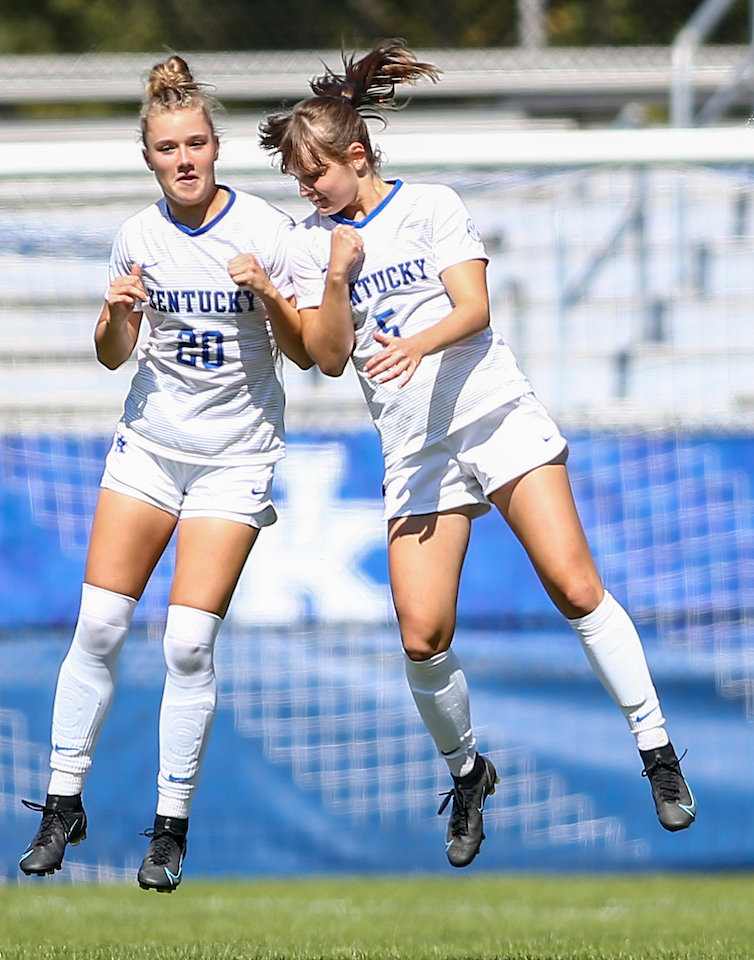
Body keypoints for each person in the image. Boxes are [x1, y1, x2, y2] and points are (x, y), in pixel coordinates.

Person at [260, 40, 695, 869]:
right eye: (296, 180)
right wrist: (332, 281)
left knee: (575, 585)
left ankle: (657, 751)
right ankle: (468, 774)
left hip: (492, 412)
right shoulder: (315, 244)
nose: (305, 190)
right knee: (422, 636)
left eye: (313, 174)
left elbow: (474, 309)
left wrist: (416, 343)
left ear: (357, 156)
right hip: (415, 446)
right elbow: (322, 355)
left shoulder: (431, 207)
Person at [19, 56, 311, 892]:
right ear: (148, 158)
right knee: (101, 627)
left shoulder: (264, 232)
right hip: (148, 448)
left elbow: (309, 354)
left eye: (195, 144)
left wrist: (269, 295)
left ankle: (170, 825)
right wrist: (114, 315)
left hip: (234, 457)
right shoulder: (138, 235)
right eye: (166, 148)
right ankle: (60, 802)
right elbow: (114, 357)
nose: (183, 159)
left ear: (217, 147)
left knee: (187, 642)